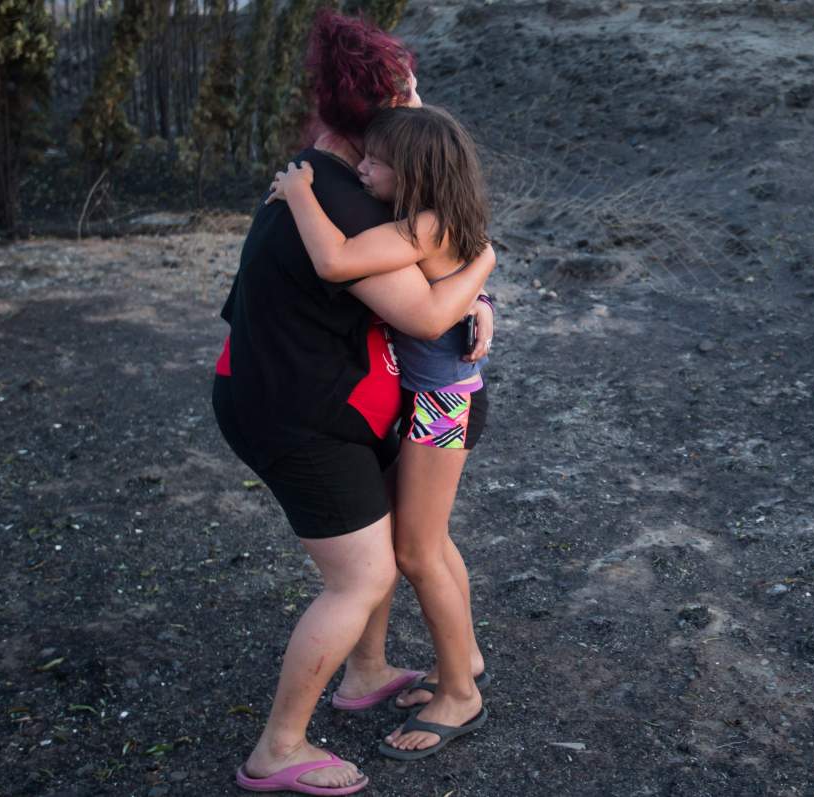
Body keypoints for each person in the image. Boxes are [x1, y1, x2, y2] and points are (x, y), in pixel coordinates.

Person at [212, 11, 493, 795]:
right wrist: (477, 281)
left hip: (410, 403)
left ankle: (403, 672)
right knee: (379, 567)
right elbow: (425, 308)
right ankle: (281, 745)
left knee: (414, 547)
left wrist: (477, 286)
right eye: (405, 86)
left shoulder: (330, 182)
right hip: (313, 407)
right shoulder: (350, 200)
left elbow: (434, 299)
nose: (416, 95)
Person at [268, 103, 493, 760]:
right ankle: (466, 656)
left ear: (414, 173)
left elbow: (335, 262)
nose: (362, 169)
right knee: (424, 539)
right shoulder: (440, 216)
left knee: (417, 553)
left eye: (375, 162)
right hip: (443, 400)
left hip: (441, 405)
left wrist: (299, 192)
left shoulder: (423, 225)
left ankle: (459, 692)